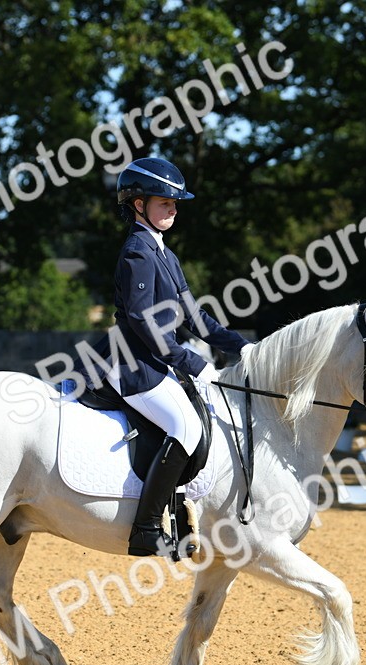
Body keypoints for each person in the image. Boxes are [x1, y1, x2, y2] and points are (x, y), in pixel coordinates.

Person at [86, 157, 253, 557]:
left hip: (155, 362)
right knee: (185, 426)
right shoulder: (137, 252)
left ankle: (180, 517)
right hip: (133, 365)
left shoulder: (164, 253)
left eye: (175, 203)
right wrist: (190, 362)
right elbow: (145, 323)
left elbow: (194, 316)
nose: (173, 208)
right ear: (138, 204)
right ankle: (145, 529)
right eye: (164, 202)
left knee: (199, 416)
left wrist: (241, 346)